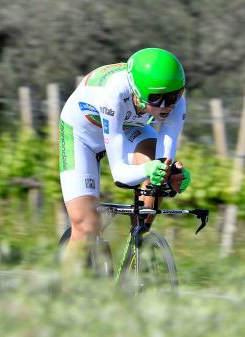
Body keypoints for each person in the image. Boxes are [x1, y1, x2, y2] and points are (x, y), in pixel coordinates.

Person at [59, 47, 191, 270]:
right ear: (135, 92)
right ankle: (66, 297)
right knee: (86, 227)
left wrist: (171, 175)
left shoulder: (175, 105)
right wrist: (151, 168)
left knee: (157, 177)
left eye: (174, 95)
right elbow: (120, 175)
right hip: (82, 135)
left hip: (128, 129)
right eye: (157, 98)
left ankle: (135, 249)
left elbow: (163, 161)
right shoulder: (113, 93)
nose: (167, 105)